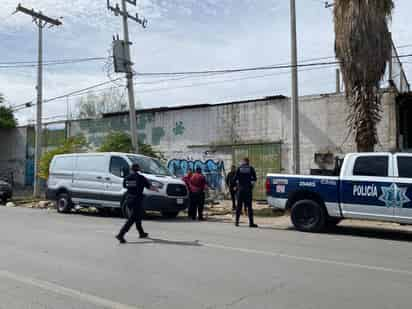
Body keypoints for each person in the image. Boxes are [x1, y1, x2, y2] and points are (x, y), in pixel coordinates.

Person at [116, 163, 158, 244]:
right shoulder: (141, 178)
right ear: (138, 169)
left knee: (137, 216)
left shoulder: (127, 177)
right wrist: (156, 189)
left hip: (128, 200)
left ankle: (141, 233)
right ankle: (121, 234)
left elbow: (125, 186)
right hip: (137, 200)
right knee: (132, 218)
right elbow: (150, 187)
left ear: (131, 169)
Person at [234, 158, 258, 228]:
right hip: (248, 190)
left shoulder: (239, 168)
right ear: (248, 162)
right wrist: (251, 184)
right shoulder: (251, 168)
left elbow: (234, 179)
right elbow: (254, 178)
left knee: (239, 206)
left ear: (243, 162)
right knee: (249, 207)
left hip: (240, 190)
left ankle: (237, 222)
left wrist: (237, 184)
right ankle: (251, 223)